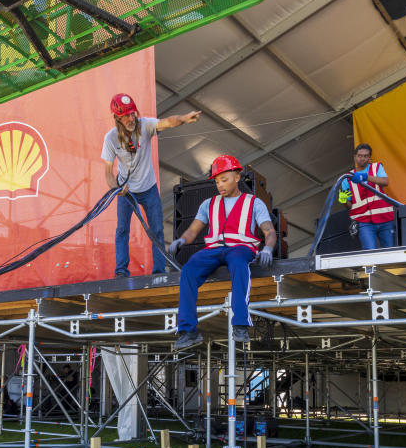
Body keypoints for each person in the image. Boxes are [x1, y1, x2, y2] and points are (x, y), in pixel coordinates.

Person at [168, 155, 276, 349]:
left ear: (237, 177)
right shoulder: (208, 204)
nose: (220, 185)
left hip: (241, 249)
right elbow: (193, 230)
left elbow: (269, 231)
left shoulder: (254, 202)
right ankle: (188, 330)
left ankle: (240, 324)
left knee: (238, 264)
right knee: (189, 269)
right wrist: (181, 240)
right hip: (215, 249)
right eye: (217, 181)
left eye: (224, 180)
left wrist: (268, 248)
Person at [102, 92, 200, 277]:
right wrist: (116, 188)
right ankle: (121, 271)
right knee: (122, 229)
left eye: (133, 113)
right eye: (126, 116)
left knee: (157, 229)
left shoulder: (144, 125)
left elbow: (167, 122)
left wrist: (184, 119)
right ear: (117, 117)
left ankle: (159, 272)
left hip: (149, 188)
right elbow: (107, 172)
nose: (131, 118)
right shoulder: (111, 138)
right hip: (126, 191)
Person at [337, 143, 395, 250]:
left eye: (365, 156)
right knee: (369, 251)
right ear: (355, 157)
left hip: (385, 218)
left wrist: (366, 177)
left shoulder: (376, 167)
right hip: (364, 221)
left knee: (390, 250)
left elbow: (385, 182)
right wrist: (343, 200)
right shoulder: (347, 178)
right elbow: (350, 206)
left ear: (369, 158)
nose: (362, 158)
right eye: (359, 156)